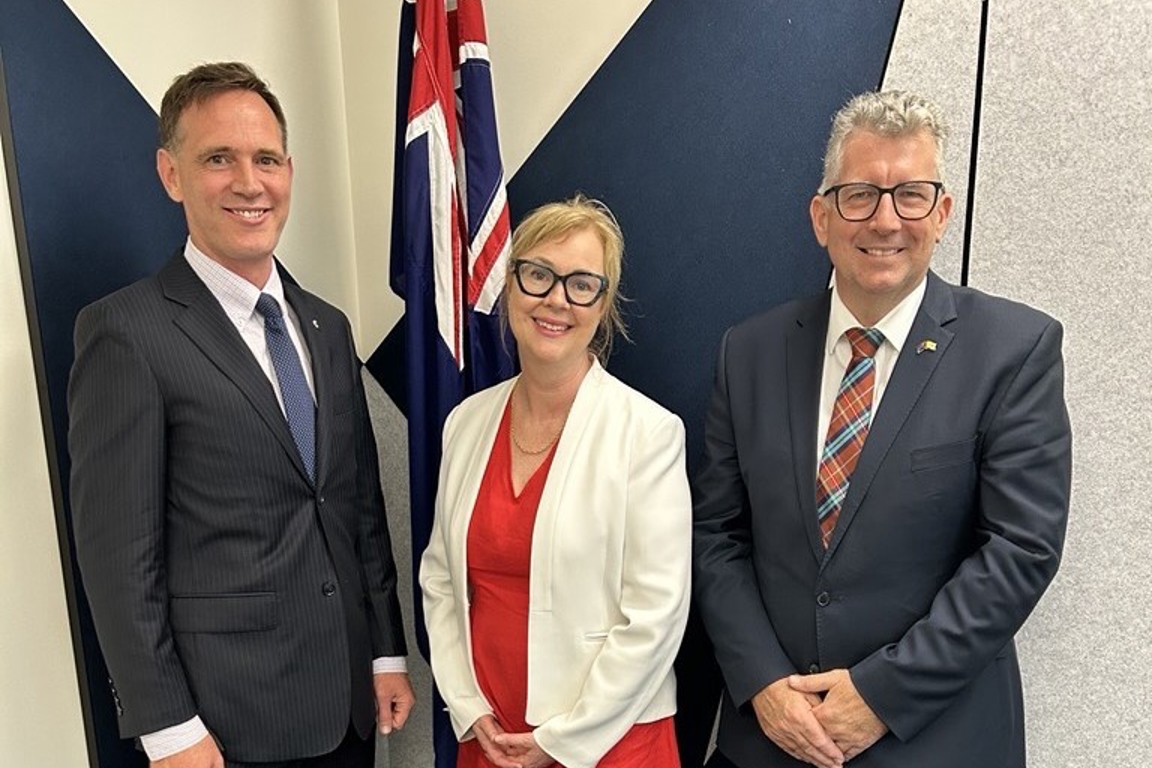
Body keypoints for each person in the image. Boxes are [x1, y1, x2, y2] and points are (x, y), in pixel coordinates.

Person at [692, 90, 1071, 768]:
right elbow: (716, 535)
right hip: (770, 741)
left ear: (943, 211)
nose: (886, 220)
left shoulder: (1014, 350)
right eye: (860, 194)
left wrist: (881, 695)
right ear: (821, 216)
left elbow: (1020, 552)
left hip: (934, 742)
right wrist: (763, 685)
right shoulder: (746, 352)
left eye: (911, 195)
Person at [68, 62, 414, 768]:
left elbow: (356, 509)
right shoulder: (127, 334)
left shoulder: (326, 325)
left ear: (289, 170)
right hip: (223, 730)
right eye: (218, 159)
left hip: (347, 708)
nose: (250, 183)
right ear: (172, 174)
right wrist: (168, 728)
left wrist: (383, 648)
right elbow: (117, 559)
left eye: (266, 159)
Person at [420, 196, 692, 768]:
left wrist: (561, 740)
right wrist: (467, 707)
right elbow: (441, 580)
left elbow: (656, 614)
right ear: (511, 285)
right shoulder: (466, 424)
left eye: (581, 284)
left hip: (609, 742)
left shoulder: (648, 433)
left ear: (603, 305)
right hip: (489, 737)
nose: (556, 300)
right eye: (538, 275)